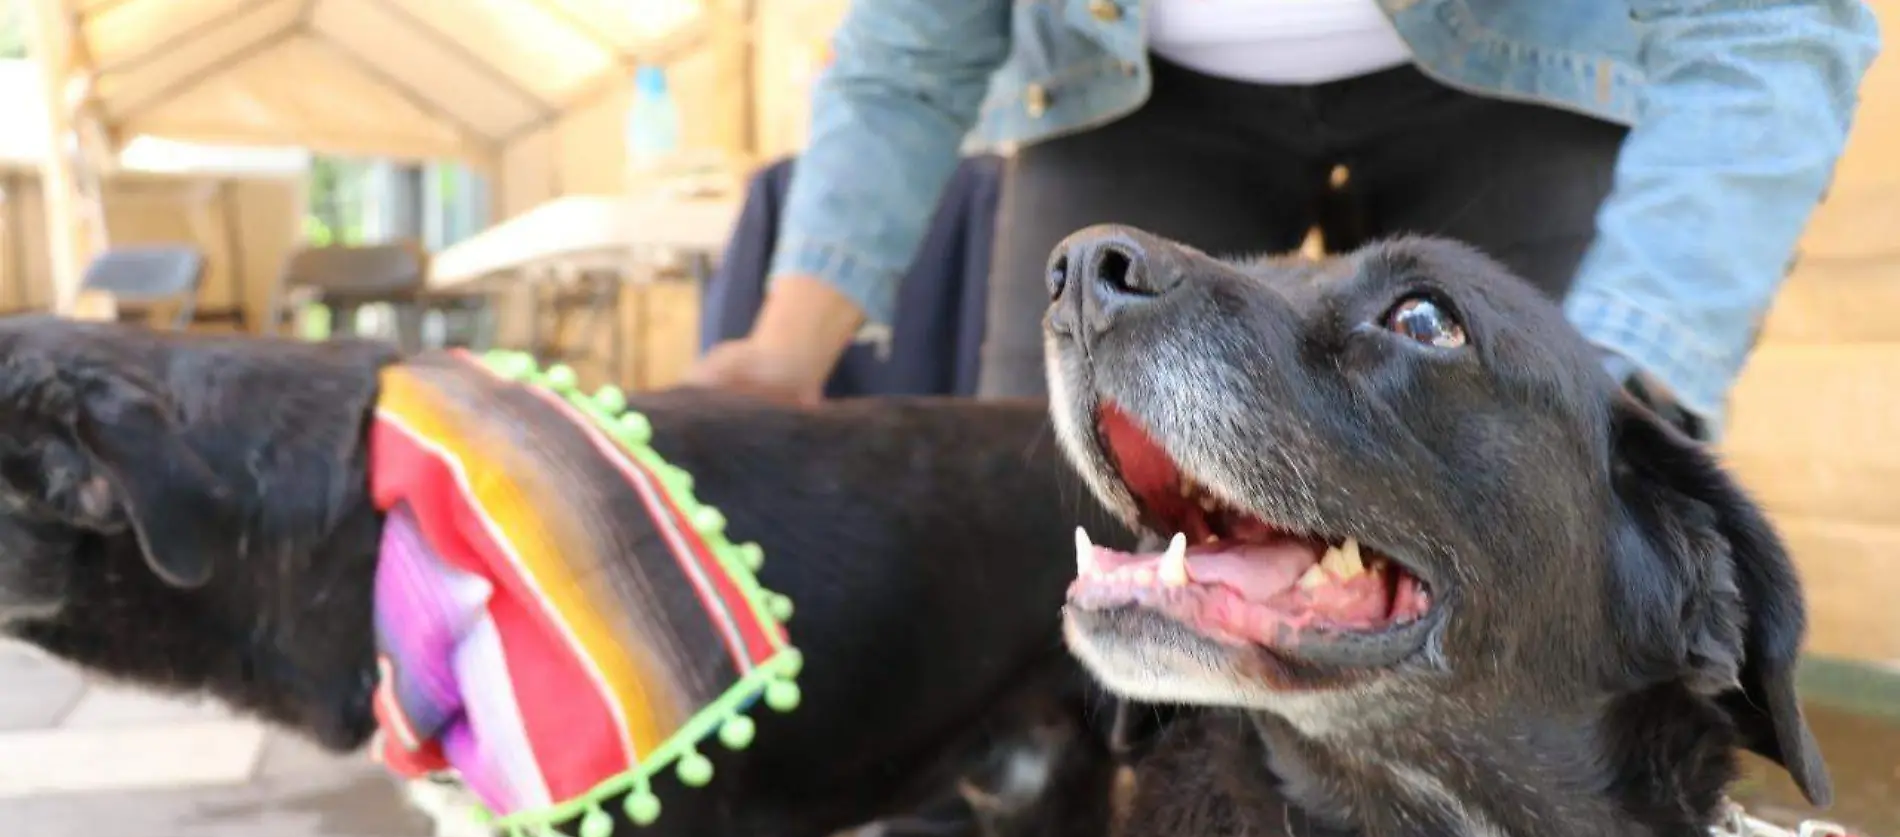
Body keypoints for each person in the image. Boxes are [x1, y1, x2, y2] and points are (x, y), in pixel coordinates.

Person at [687, 0, 1880, 440]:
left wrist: (1639, 367)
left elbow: (1767, 26)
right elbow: (903, 61)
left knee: (1572, 464)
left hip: (1519, 67)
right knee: (1041, 488)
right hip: (1128, 86)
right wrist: (786, 351)